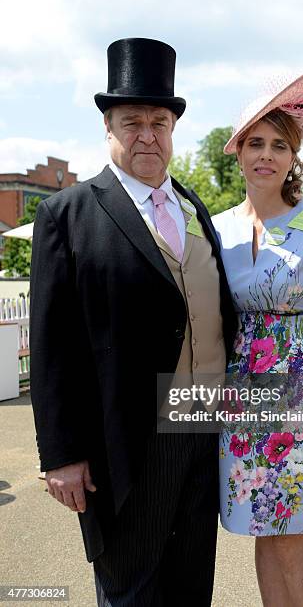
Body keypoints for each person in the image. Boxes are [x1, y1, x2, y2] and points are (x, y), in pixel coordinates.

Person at [30, 38, 237, 606]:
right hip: (124, 436)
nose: (147, 134)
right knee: (132, 587)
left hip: (201, 422)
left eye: (159, 121)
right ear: (108, 128)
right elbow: (51, 348)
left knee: (193, 581)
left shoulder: (194, 207)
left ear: (173, 129)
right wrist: (60, 455)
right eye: (132, 122)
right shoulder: (66, 215)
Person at [212, 66, 303, 607]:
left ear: (294, 156)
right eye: (255, 143)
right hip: (243, 394)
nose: (265, 155)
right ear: (240, 152)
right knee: (260, 524)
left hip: (302, 390)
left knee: (293, 527)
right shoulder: (219, 225)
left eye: (278, 144)